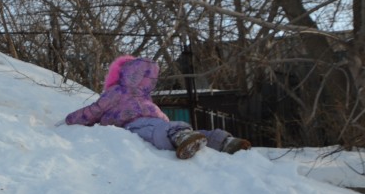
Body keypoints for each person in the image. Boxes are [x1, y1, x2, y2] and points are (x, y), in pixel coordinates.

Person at [64, 55, 251, 159]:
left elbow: (94, 110)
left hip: (133, 122)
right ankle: (222, 141)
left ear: (120, 74)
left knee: (155, 131)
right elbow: (158, 116)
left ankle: (182, 136)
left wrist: (70, 119)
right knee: (173, 129)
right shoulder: (145, 96)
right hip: (156, 118)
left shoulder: (116, 91)